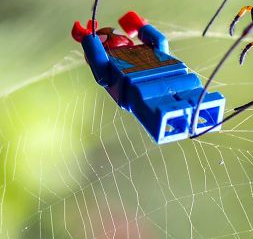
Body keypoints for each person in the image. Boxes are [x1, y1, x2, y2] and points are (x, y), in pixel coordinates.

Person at [71, 11, 225, 143]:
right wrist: (88, 38)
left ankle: (193, 115)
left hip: (176, 77)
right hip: (143, 88)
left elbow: (160, 41)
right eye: (106, 37)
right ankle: (176, 121)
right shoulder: (110, 63)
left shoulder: (143, 49)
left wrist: (140, 25)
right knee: (158, 106)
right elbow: (99, 62)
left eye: (114, 33)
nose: (114, 36)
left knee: (192, 95)